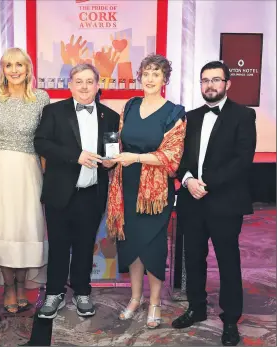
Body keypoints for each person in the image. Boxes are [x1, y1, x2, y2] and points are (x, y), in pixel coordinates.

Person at [172, 61, 257, 346]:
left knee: (227, 260)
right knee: (193, 258)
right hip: (191, 200)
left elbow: (242, 161)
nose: (210, 85)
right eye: (205, 80)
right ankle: (196, 307)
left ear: (227, 84)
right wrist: (187, 181)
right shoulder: (190, 117)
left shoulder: (244, 116)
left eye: (216, 80)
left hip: (225, 202)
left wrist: (206, 184)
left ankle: (230, 318)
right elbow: (179, 159)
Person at [106, 54, 186, 328]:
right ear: (140, 76)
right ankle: (135, 298)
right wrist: (113, 159)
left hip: (155, 194)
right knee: (132, 245)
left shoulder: (174, 112)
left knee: (152, 246)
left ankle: (155, 303)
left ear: (165, 79)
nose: (150, 79)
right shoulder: (130, 106)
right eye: (147, 73)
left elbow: (172, 157)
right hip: (126, 185)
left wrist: (136, 158)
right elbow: (119, 143)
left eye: (157, 73)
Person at [34, 63, 119, 319]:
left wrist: (110, 161)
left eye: (89, 81)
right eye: (78, 81)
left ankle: (82, 292)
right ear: (70, 85)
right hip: (60, 192)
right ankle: (54, 293)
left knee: (85, 246)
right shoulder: (53, 112)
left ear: (97, 85)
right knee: (58, 245)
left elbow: (111, 151)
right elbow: (41, 142)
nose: (84, 86)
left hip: (92, 193)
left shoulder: (110, 115)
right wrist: (75, 156)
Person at [0, 47, 50, 314]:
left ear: (28, 68)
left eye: (19, 65)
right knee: (3, 229)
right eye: (8, 65)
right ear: (2, 69)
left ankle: (22, 284)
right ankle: (9, 287)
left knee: (26, 229)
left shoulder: (41, 98)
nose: (14, 70)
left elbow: (45, 142)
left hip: (28, 170)